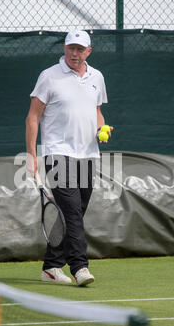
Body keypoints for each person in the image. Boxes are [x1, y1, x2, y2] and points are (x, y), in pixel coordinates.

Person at [25, 30, 111, 286]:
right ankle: (79, 267)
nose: (74, 53)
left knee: (73, 213)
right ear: (64, 48)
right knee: (72, 213)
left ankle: (51, 267)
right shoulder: (49, 76)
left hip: (88, 155)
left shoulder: (97, 77)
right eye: (70, 48)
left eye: (80, 49)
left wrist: (101, 128)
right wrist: (31, 154)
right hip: (58, 153)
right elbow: (33, 117)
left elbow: (97, 112)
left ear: (88, 52)